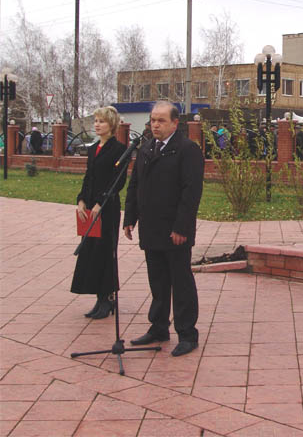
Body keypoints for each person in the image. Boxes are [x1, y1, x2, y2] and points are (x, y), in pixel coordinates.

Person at [123, 101, 204, 357]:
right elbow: (135, 185)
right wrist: (130, 218)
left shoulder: (188, 150)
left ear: (175, 123)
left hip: (175, 230)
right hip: (151, 227)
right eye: (152, 120)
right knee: (157, 281)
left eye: (160, 121)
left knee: (180, 282)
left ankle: (187, 334)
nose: (155, 125)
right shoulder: (146, 148)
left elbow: (191, 192)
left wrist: (181, 227)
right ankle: (158, 327)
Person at [71, 106, 127, 319]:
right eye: (95, 120)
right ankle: (99, 298)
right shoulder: (93, 148)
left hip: (107, 209)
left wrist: (100, 203)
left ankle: (108, 298)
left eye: (101, 121)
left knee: (105, 252)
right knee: (91, 253)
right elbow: (89, 177)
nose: (97, 124)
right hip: (90, 209)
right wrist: (82, 200)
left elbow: (117, 181)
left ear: (111, 125)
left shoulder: (119, 149)